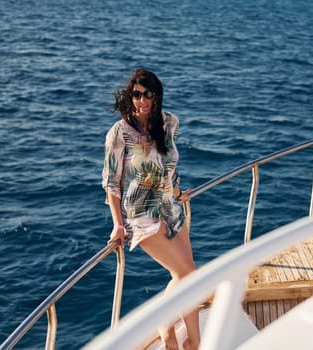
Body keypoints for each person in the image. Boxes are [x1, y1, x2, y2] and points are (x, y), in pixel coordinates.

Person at [102, 68, 199, 350]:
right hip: (142, 215)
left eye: (147, 95)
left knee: (185, 275)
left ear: (157, 97)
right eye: (136, 95)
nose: (141, 100)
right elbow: (111, 184)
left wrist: (180, 193)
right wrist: (118, 225)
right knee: (189, 274)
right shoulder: (119, 133)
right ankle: (191, 340)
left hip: (170, 208)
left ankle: (176, 334)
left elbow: (169, 166)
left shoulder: (169, 123)